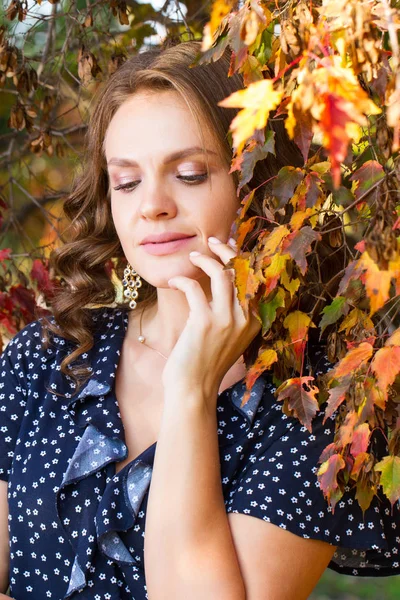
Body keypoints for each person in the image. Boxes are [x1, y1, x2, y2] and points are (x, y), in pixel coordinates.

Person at [0, 40, 399, 600]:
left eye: (188, 174)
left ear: (264, 186)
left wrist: (191, 387)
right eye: (127, 181)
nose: (152, 205)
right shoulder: (44, 356)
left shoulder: (314, 406)